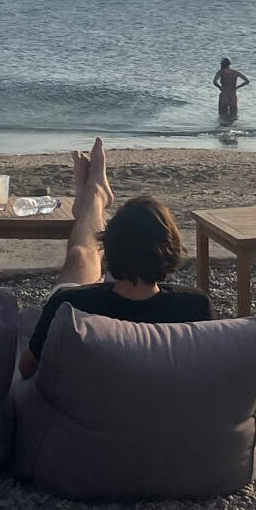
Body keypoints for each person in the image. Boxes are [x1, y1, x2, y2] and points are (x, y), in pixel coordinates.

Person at [18, 141, 209, 378]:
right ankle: (93, 196)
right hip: (163, 411)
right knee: (84, 255)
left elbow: (26, 368)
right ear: (171, 249)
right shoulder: (194, 307)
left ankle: (93, 198)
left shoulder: (69, 307)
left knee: (82, 254)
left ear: (108, 252)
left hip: (81, 411)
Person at [214, 57, 249, 124]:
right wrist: (237, 87)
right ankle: (232, 130)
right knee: (233, 116)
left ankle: (222, 130)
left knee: (222, 115)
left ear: (222, 64)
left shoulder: (220, 72)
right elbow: (247, 81)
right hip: (233, 95)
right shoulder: (235, 72)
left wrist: (220, 87)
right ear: (229, 64)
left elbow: (215, 82)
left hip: (224, 95)